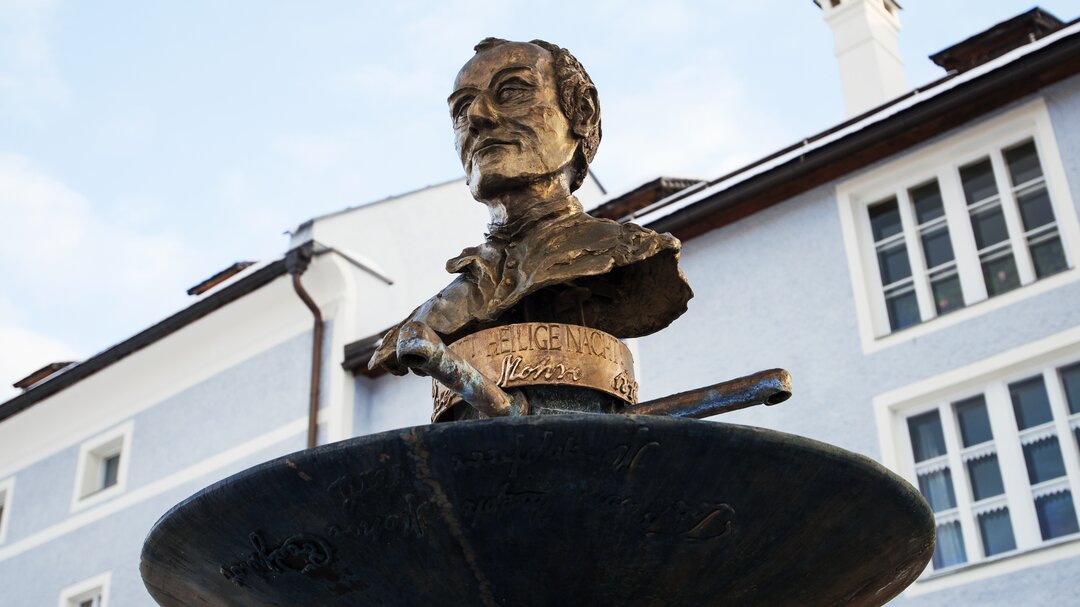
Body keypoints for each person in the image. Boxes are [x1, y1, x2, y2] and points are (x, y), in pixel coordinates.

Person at [370, 38, 692, 378]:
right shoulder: (426, 321)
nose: (478, 116)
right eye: (462, 108)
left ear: (582, 111)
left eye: (510, 91)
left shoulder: (632, 253)